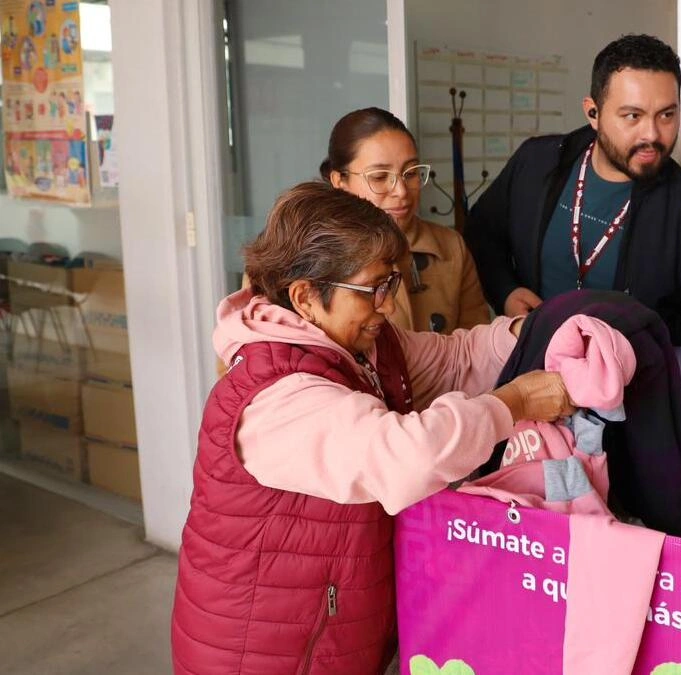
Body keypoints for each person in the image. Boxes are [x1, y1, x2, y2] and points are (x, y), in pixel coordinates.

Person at [171, 181, 575, 674]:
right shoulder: (276, 397)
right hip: (264, 653)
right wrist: (515, 403)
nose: (387, 304)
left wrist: (533, 331)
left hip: (331, 634)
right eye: (372, 289)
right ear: (305, 297)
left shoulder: (363, 346)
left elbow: (454, 360)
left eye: (392, 282)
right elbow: (408, 459)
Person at [465, 34, 681, 529]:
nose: (652, 135)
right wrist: (506, 290)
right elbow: (482, 231)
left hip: (626, 430)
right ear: (593, 113)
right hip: (526, 408)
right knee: (525, 540)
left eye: (667, 115)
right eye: (632, 116)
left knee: (612, 549)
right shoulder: (538, 164)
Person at [322, 107, 491, 333]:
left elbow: (479, 342)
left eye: (410, 173)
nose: (401, 191)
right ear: (339, 181)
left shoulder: (451, 246)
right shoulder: (317, 257)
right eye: (380, 177)